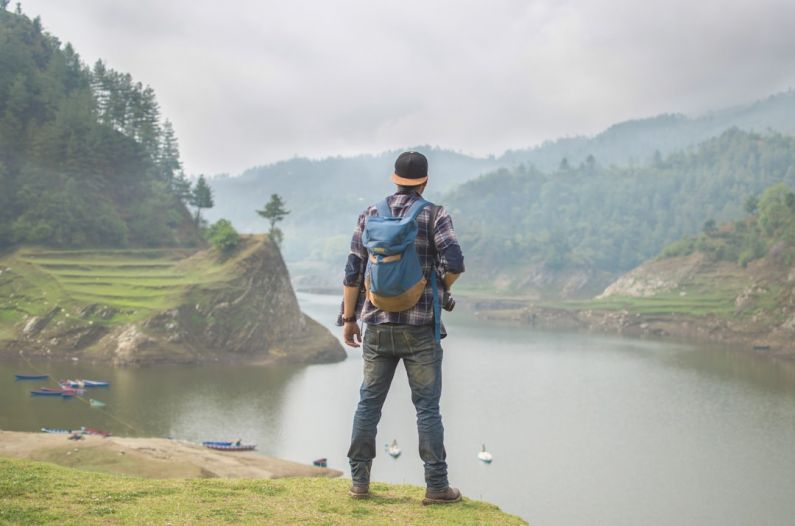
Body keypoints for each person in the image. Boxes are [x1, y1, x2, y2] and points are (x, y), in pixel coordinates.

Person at [339, 151, 465, 505]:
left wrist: (349, 320)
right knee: (426, 408)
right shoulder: (435, 215)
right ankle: (437, 487)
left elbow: (352, 271)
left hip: (377, 325)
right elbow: (455, 262)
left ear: (394, 178)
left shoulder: (370, 213)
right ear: (424, 181)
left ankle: (359, 482)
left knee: (368, 403)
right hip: (421, 327)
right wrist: (441, 286)